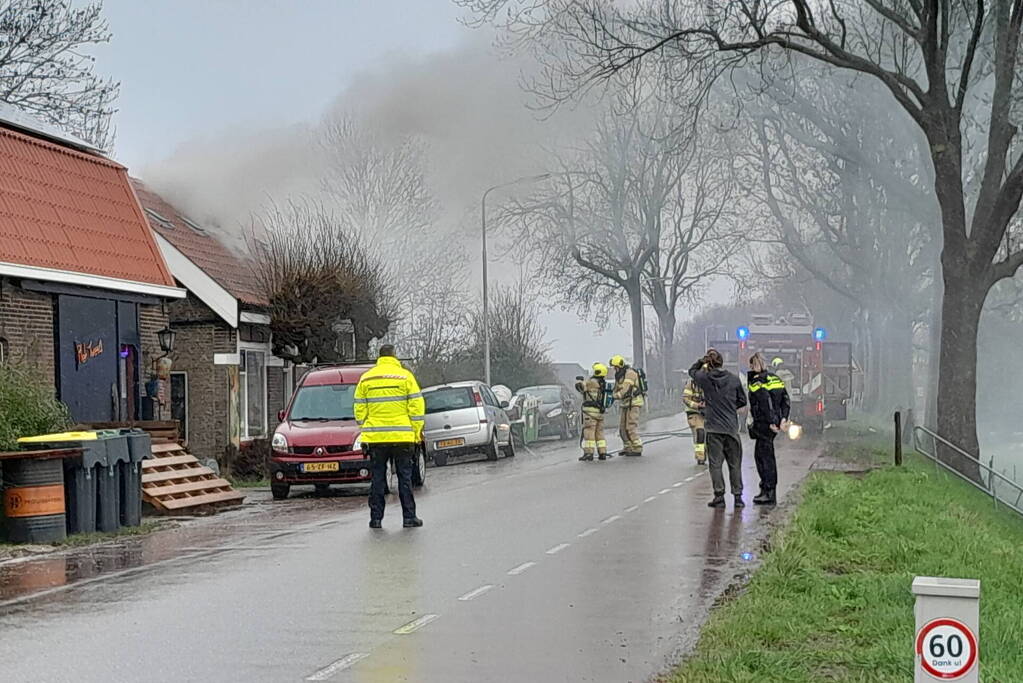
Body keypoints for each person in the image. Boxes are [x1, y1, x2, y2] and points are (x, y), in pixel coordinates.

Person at [354, 344, 424, 529]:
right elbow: (417, 408)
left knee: (377, 478)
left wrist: (367, 427)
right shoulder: (406, 377)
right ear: (394, 356)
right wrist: (416, 432)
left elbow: (359, 409)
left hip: (376, 438)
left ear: (380, 357)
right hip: (402, 437)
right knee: (404, 478)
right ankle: (409, 517)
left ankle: (375, 519)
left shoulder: (366, 378)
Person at [689, 349, 747, 508]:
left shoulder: (705, 379)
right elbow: (742, 400)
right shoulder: (734, 380)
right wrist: (729, 407)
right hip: (731, 429)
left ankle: (719, 497)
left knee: (715, 465)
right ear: (722, 363)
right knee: (734, 464)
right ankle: (738, 497)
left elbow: (692, 371)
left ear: (709, 363)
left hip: (713, 429)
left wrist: (702, 361)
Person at [747, 353, 791, 506]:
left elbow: (765, 402)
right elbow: (785, 400)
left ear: (754, 365)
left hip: (764, 424)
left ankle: (768, 492)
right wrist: (783, 418)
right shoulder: (775, 379)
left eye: (751, 366)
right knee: (765, 456)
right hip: (773, 423)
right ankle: (766, 490)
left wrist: (772, 421)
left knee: (764, 458)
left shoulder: (757, 381)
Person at [610, 355, 644, 456]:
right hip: (625, 403)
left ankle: (637, 448)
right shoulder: (620, 375)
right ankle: (628, 447)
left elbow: (625, 389)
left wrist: (616, 396)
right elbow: (616, 388)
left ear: (619, 366)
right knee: (622, 428)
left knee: (631, 426)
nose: (614, 369)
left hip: (634, 403)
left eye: (615, 367)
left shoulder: (630, 374)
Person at [576, 362, 609, 461]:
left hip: (590, 413)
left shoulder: (591, 382)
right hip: (600, 412)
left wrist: (579, 381)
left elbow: (580, 387)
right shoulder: (603, 384)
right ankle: (602, 452)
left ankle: (589, 453)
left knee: (589, 432)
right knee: (600, 433)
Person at [683, 368, 707, 465]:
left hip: (708, 414)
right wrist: (697, 405)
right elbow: (685, 399)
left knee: (709, 436)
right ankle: (700, 456)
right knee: (699, 434)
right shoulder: (691, 385)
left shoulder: (709, 384)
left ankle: (705, 453)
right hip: (694, 413)